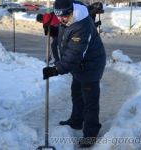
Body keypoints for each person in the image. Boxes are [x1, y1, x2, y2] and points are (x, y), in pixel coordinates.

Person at [42, 0, 106, 148]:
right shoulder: (68, 17)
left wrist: (55, 70)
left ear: (71, 12)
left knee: (90, 101)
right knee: (76, 92)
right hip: (80, 66)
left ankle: (91, 133)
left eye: (64, 16)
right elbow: (65, 33)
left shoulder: (82, 26)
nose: (61, 19)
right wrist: (54, 30)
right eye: (59, 17)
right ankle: (77, 120)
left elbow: (74, 55)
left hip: (91, 66)